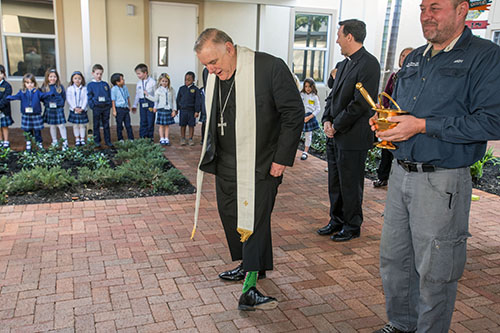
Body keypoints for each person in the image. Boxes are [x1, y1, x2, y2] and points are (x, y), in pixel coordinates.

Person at [370, 1, 500, 332]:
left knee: (436, 270)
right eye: (423, 7)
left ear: (461, 11)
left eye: (436, 7)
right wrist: (388, 122)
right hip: (401, 175)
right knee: (395, 261)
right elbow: (403, 111)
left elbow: (492, 121)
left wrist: (422, 125)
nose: (426, 14)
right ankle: (401, 324)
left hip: (442, 182)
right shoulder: (414, 59)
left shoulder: (485, 56)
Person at [192, 28, 304, 311]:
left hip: (262, 162)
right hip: (226, 160)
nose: (211, 70)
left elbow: (294, 113)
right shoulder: (213, 75)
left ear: (229, 48)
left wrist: (282, 158)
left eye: (214, 62)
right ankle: (252, 265)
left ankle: (250, 287)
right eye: (205, 65)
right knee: (232, 214)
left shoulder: (269, 67)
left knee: (254, 221)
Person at [317, 19, 380, 242]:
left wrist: (337, 124)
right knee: (335, 182)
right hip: (336, 135)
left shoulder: (369, 64)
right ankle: (336, 220)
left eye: (339, 35)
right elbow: (332, 97)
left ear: (350, 37)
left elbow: (361, 103)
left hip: (353, 136)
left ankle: (352, 225)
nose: (337, 40)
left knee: (351, 184)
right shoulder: (342, 65)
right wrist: (326, 120)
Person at [372, 47, 413, 188]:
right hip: (391, 116)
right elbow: (387, 93)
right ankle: (383, 177)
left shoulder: (417, 78)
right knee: (386, 151)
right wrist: (388, 109)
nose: (404, 58)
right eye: (402, 55)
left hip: (406, 119)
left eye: (407, 56)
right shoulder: (395, 76)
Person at [8, 73, 51, 151]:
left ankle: (39, 143)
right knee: (27, 130)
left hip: (36, 114)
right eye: (27, 83)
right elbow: (16, 96)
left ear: (34, 83)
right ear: (24, 83)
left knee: (37, 131)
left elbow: (43, 96)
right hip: (26, 115)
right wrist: (9, 97)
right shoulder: (22, 92)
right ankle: (28, 143)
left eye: (31, 82)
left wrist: (50, 94)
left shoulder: (37, 91)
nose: (30, 84)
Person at [87, 64, 113, 148]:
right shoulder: (90, 85)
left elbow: (109, 95)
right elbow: (89, 96)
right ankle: (97, 141)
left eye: (100, 74)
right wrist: (93, 105)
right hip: (97, 108)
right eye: (97, 74)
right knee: (96, 125)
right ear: (93, 73)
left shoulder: (105, 84)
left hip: (105, 107)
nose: (99, 76)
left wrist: (109, 105)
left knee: (106, 124)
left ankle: (107, 140)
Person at [146, 73, 176, 145]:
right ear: (160, 81)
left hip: (168, 109)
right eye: (163, 81)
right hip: (161, 109)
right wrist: (147, 96)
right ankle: (162, 138)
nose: (164, 83)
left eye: (166, 81)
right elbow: (155, 99)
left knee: (167, 125)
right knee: (161, 125)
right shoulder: (158, 90)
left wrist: (174, 110)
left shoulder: (171, 90)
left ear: (168, 82)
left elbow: (174, 100)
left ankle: (166, 138)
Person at [41, 69, 68, 150]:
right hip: (50, 109)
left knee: (61, 126)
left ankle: (65, 143)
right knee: (52, 126)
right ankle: (54, 141)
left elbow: (63, 96)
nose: (53, 78)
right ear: (47, 77)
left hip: (58, 109)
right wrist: (47, 104)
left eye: (54, 76)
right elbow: (42, 97)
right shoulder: (45, 87)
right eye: (51, 76)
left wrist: (60, 104)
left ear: (57, 77)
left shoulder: (60, 86)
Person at [176, 72, 202, 146]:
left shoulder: (195, 89)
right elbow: (178, 99)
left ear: (193, 80)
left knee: (191, 125)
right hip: (183, 110)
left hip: (191, 111)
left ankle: (190, 138)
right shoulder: (181, 89)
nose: (187, 81)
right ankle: (183, 138)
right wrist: (177, 109)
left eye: (189, 80)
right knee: (183, 125)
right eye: (185, 80)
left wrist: (197, 111)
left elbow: (198, 101)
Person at [132, 63, 156, 139]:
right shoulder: (139, 83)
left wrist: (155, 106)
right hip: (142, 102)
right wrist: (135, 105)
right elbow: (137, 95)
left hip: (150, 102)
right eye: (137, 74)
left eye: (139, 74)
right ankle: (142, 137)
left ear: (145, 73)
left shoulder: (153, 82)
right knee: (143, 121)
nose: (138, 76)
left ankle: (150, 137)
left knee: (150, 121)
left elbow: (156, 95)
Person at [300, 78, 321, 160]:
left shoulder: (314, 97)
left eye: (309, 86)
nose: (308, 88)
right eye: (306, 86)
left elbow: (318, 109)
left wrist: (309, 117)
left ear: (313, 87)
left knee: (308, 135)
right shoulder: (302, 94)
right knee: (297, 133)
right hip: (301, 116)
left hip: (310, 117)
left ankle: (305, 152)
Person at [67, 71, 89, 146]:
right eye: (75, 78)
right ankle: (77, 139)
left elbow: (86, 99)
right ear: (72, 79)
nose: (77, 80)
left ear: (82, 79)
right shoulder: (70, 89)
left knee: (82, 125)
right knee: (75, 125)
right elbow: (69, 99)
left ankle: (82, 139)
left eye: (79, 78)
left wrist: (82, 108)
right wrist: (74, 108)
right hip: (74, 109)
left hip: (82, 109)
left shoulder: (85, 89)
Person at [110, 73, 134, 142]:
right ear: (117, 82)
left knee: (128, 124)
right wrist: (114, 110)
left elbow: (127, 97)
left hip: (125, 108)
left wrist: (129, 106)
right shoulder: (114, 89)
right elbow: (113, 100)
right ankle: (120, 138)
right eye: (122, 79)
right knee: (119, 125)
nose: (123, 80)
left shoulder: (125, 87)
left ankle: (131, 138)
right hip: (119, 109)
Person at [0, 64, 13, 148]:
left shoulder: (7, 86)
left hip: (3, 109)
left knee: (4, 126)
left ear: (4, 74)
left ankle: (6, 141)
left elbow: (6, 98)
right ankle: (0, 140)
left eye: (0, 73)